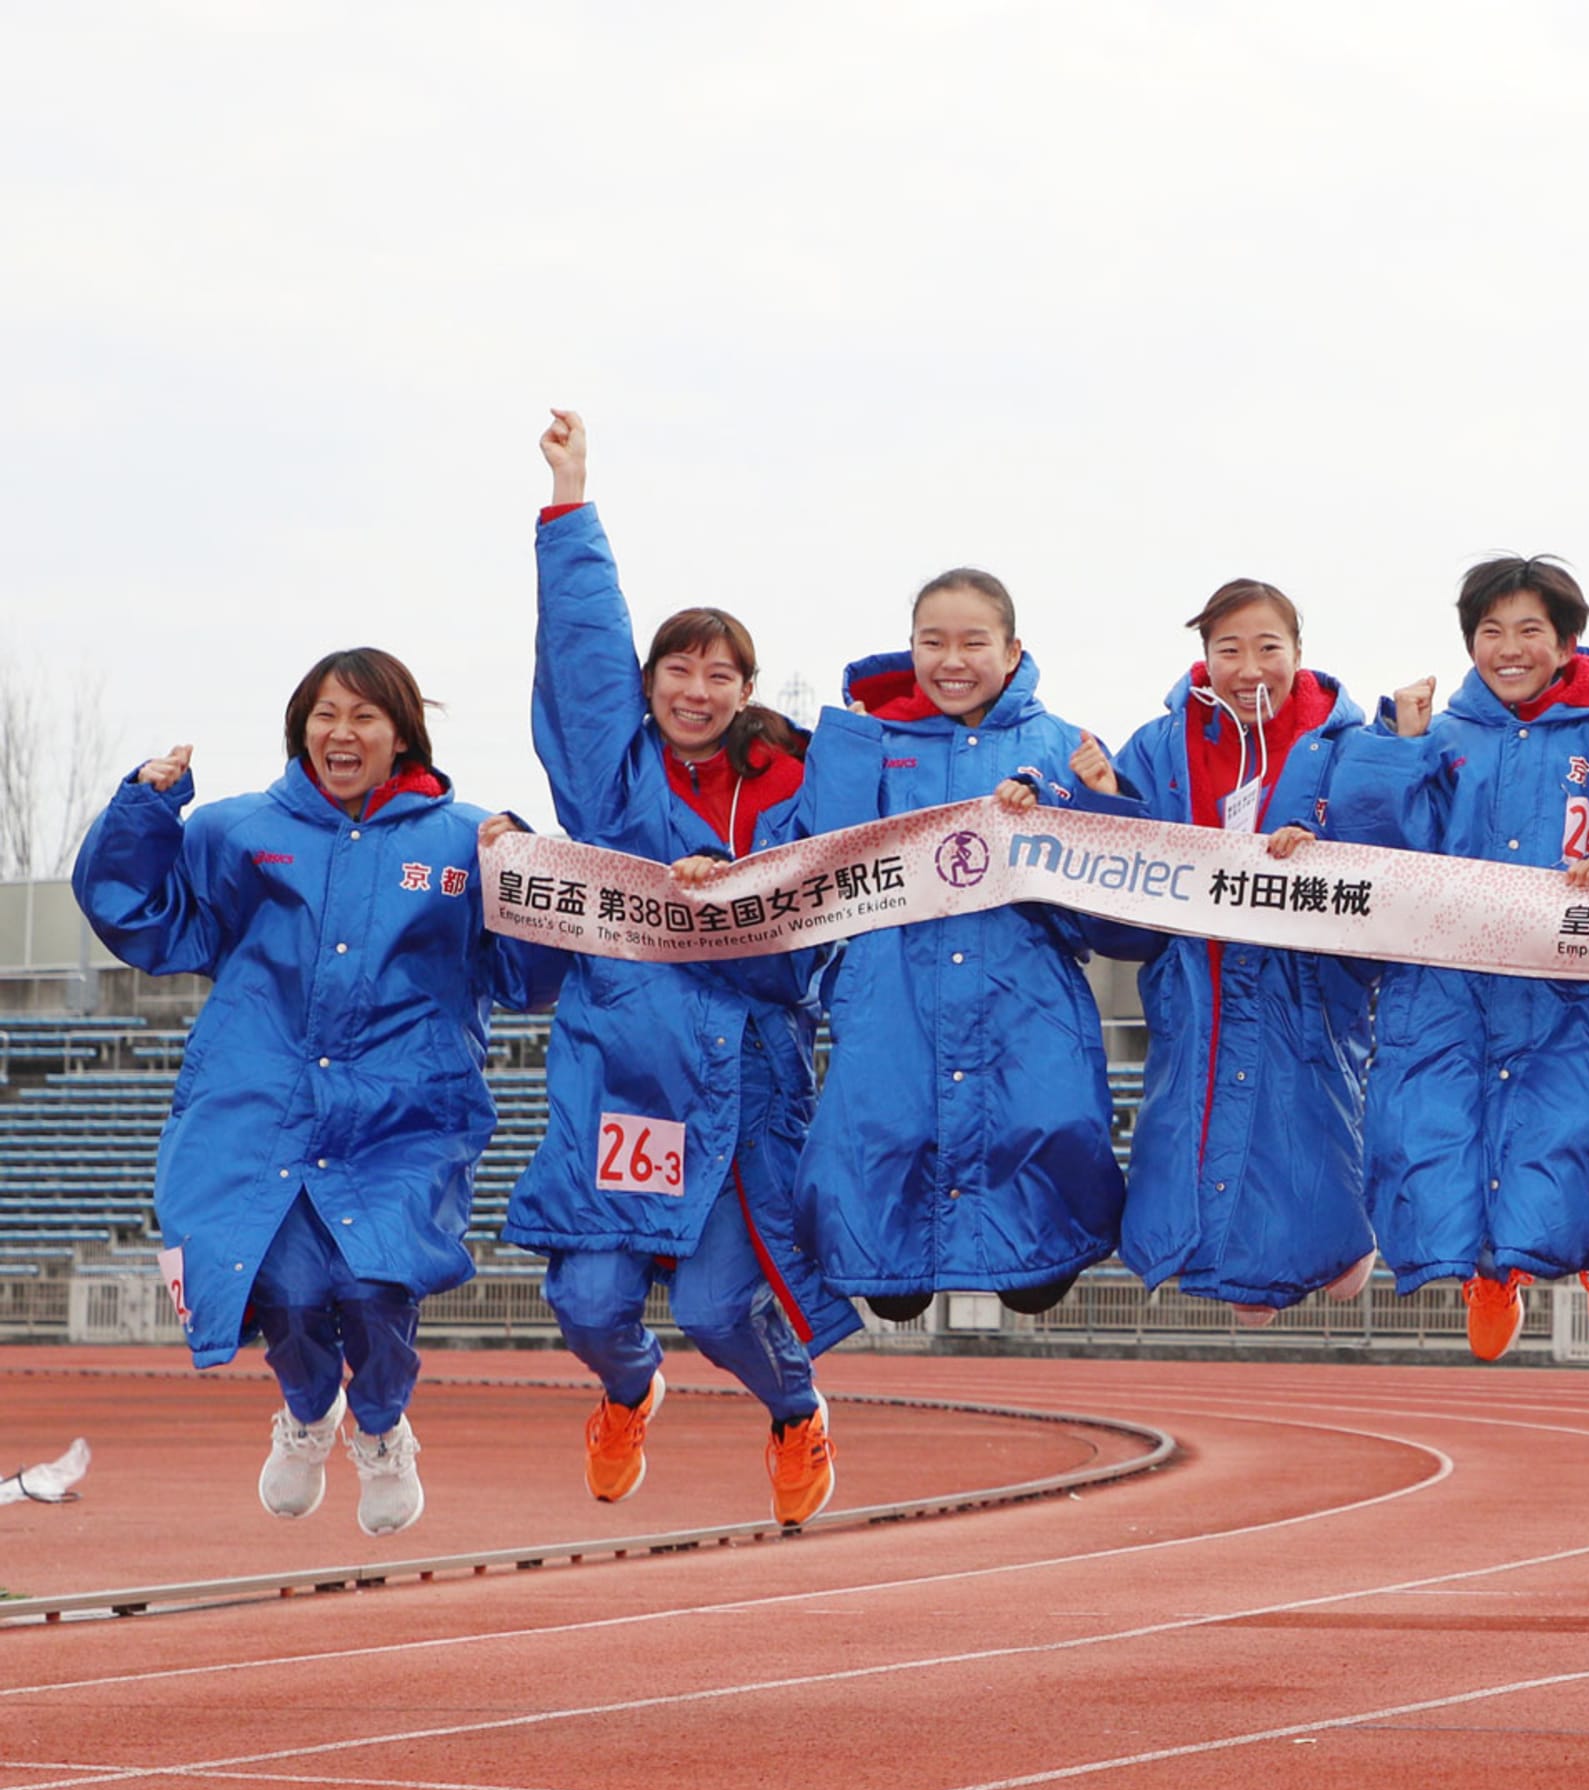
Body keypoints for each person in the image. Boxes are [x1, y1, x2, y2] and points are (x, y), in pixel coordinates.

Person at [72, 651, 561, 1534]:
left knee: (377, 1287)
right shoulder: (237, 831)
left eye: (366, 715)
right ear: (301, 726)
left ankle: (379, 1427)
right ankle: (306, 1412)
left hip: (404, 1111)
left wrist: (528, 868)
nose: (344, 732)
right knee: (287, 1291)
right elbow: (146, 919)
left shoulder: (468, 837)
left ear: (402, 733)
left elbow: (529, 976)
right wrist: (143, 809)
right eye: (326, 713)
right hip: (265, 1101)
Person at [492, 411, 859, 1528]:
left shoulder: (799, 786)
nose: (697, 689)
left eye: (722, 673)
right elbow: (581, 654)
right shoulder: (611, 788)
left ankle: (795, 1410)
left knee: (712, 1305)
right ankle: (626, 1392)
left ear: (746, 688)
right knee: (592, 1299)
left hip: (744, 1076)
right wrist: (570, 502)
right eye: (680, 669)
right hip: (631, 1079)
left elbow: (850, 894)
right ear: (652, 682)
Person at [1326, 554, 1589, 1359]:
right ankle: (1486, 1272)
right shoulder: (1435, 738)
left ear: (1569, 639)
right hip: (1445, 996)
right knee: (1433, 1143)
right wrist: (1397, 748)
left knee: (1582, 1139)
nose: (1509, 648)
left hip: (1580, 1002)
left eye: (1530, 630)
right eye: (1490, 631)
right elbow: (1368, 850)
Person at [791, 569, 1157, 1321]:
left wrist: (1091, 801)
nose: (951, 660)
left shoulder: (1063, 746)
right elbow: (810, 860)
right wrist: (849, 750)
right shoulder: (868, 739)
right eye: (932, 642)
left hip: (1024, 1006)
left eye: (973, 642)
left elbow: (1126, 920)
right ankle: (899, 1262)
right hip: (891, 1001)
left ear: (1014, 650)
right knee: (885, 1170)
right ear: (911, 648)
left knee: (1039, 1199)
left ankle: (1027, 1251)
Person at [1079, 578, 1378, 1321]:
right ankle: (1232, 1265)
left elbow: (1385, 848)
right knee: (1191, 1119)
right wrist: (1100, 797)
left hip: (1308, 989)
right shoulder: (1159, 745)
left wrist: (1324, 849)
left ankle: (1323, 1248)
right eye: (1229, 649)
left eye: (1268, 647)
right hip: (1196, 985)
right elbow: (1123, 890)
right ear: (1205, 658)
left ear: (1300, 654)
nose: (1249, 667)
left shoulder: (1349, 748)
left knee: (1310, 1125)